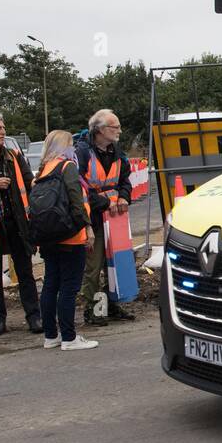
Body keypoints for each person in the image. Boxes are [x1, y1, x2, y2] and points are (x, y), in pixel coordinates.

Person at [0, 112, 42, 335]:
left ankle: (34, 317)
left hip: (17, 222)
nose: (2, 132)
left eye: (3, 128)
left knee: (25, 272)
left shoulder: (13, 155)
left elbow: (28, 182)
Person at [34, 129, 98, 351]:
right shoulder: (67, 167)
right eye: (71, 144)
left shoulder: (43, 170)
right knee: (69, 287)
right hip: (70, 235)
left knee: (51, 284)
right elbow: (76, 201)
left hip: (49, 236)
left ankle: (51, 336)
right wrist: (88, 228)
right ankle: (69, 337)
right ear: (65, 147)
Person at [75, 109, 135, 326]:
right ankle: (91, 309)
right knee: (94, 264)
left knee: (115, 263)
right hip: (94, 218)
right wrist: (106, 203)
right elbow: (78, 188)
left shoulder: (117, 152)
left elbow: (125, 180)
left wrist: (124, 197)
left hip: (115, 217)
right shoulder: (82, 153)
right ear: (100, 130)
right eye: (114, 127)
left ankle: (113, 304)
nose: (119, 130)